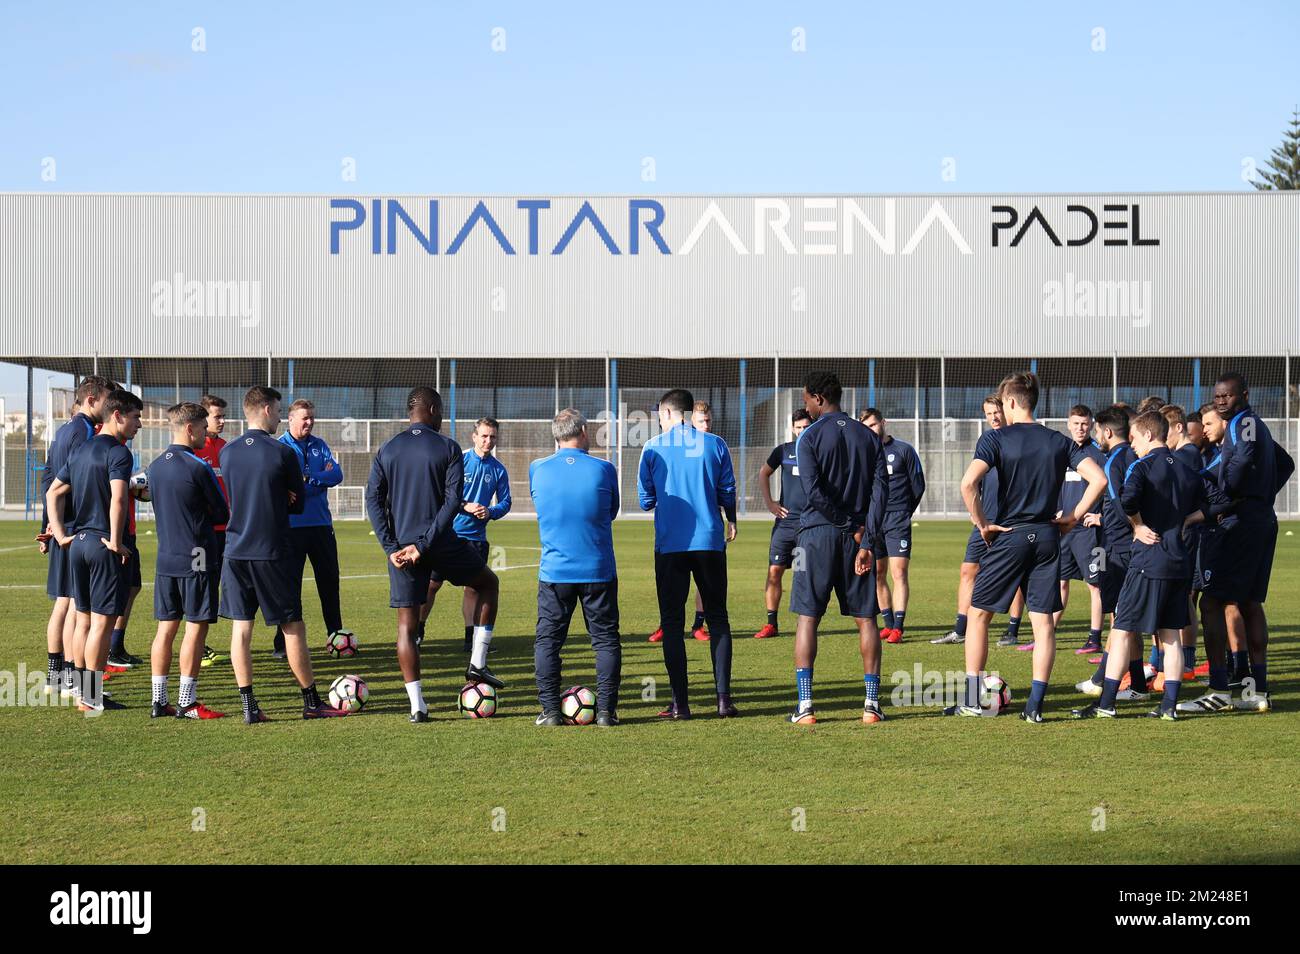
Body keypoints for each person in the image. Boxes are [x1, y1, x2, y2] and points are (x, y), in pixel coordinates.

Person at [951, 372, 1106, 722]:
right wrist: (1073, 517)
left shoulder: (996, 439)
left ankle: (974, 699)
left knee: (978, 614)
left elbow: (967, 484)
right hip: (1048, 537)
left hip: (1009, 536)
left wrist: (982, 524)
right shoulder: (1058, 440)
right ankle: (1034, 707)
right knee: (1044, 625)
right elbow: (1099, 479)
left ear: (1009, 402)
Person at [365, 387, 504, 723]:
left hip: (401, 549)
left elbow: (372, 500)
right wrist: (425, 544)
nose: (442, 416)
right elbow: (452, 501)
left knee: (406, 628)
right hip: (439, 542)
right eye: (440, 409)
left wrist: (391, 547)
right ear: (430, 408)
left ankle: (418, 706)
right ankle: (478, 663)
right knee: (488, 583)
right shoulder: (447, 446)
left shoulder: (388, 448)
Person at [218, 386, 346, 723]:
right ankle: (311, 701)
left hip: (234, 551)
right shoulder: (282, 453)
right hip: (270, 549)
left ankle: (249, 707)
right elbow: (298, 502)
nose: (278, 417)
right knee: (293, 627)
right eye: (276, 410)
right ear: (263, 409)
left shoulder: (227, 453)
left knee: (241, 631)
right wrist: (284, 496)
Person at [1073, 410, 1206, 719]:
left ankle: (1105, 704)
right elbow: (1215, 501)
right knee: (1171, 634)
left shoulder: (1141, 466)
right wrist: (1188, 520)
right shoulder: (1186, 469)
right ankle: (1169, 707)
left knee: (1121, 629)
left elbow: (1126, 500)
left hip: (1149, 559)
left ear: (1148, 435)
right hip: (1179, 561)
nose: (1131, 444)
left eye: (1134, 437)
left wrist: (1136, 524)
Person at [1179, 372, 1294, 714]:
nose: (1220, 401)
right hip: (1260, 520)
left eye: (1226, 396)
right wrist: (1261, 495)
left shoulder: (1243, 423)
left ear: (1243, 394)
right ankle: (1256, 690)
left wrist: (1226, 499)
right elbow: (1285, 463)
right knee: (1249, 603)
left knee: (1212, 603)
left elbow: (1241, 463)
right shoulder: (1255, 426)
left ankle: (1218, 690)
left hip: (1239, 525)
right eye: (1216, 397)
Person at [787, 372, 888, 725]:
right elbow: (881, 495)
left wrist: (847, 526)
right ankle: (871, 705)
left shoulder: (809, 437)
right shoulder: (869, 436)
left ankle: (806, 706)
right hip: (858, 539)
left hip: (815, 536)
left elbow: (813, 492)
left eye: (805, 399)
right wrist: (867, 538)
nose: (804, 406)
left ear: (817, 399)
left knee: (807, 617)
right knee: (867, 619)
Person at [637, 388, 738, 719]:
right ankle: (723, 700)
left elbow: (645, 499)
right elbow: (727, 491)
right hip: (709, 542)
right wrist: (728, 517)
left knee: (672, 622)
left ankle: (681, 703)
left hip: (670, 545)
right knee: (718, 619)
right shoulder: (715, 444)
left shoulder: (652, 448)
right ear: (687, 412)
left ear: (666, 414)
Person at [44, 389, 143, 713]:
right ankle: (90, 697)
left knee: (82, 619)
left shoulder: (83, 449)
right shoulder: (118, 452)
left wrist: (60, 533)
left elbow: (53, 492)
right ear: (117, 416)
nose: (139, 424)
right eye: (135, 417)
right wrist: (116, 540)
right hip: (102, 545)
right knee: (101, 623)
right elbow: (118, 498)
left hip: (78, 544)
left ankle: (80, 691)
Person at [530, 409, 622, 727]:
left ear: (556, 434)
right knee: (606, 641)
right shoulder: (605, 469)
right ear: (583, 430)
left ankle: (551, 712)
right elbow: (611, 511)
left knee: (548, 642)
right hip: (598, 569)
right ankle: (607, 713)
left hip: (555, 572)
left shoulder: (537, 469)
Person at [147, 402, 230, 719]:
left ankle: (159, 700)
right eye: (203, 425)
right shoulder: (198, 467)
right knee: (195, 628)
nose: (207, 431)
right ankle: (187, 701)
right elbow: (221, 512)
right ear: (191, 428)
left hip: (165, 557)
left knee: (165, 630)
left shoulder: (155, 466)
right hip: (196, 555)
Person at [37, 375, 110, 699]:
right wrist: (63, 527)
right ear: (92, 398)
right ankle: (69, 674)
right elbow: (71, 482)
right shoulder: (82, 433)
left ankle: (58, 673)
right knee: (72, 604)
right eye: (107, 399)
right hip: (73, 529)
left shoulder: (66, 430)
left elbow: (48, 481)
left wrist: (47, 526)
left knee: (64, 602)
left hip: (61, 527)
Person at [933, 395, 1026, 646]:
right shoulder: (986, 440)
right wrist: (978, 516)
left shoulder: (1018, 440)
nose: (994, 418)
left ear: (1007, 410)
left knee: (1016, 577)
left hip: (1012, 520)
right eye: (988, 414)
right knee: (968, 570)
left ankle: (1012, 630)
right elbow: (976, 483)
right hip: (985, 519)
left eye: (997, 412)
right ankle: (960, 629)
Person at [419, 416, 511, 652]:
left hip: (476, 539)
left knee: (474, 588)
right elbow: (441, 493)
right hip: (447, 534)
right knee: (431, 585)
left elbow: (506, 502)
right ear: (474, 436)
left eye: (492, 437)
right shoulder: (459, 460)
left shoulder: (498, 470)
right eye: (484, 436)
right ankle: (417, 631)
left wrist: (489, 512)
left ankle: (470, 639)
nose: (488, 441)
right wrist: (464, 506)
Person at [1075, 405, 1146, 698]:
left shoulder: (1114, 460)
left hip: (1117, 547)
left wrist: (1133, 525)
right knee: (1123, 616)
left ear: (1106, 431)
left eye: (1096, 430)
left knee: (1120, 618)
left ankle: (1103, 679)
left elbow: (1120, 502)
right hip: (1118, 544)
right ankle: (1137, 684)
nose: (1095, 436)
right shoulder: (1132, 456)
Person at [273, 399, 351, 659]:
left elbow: (336, 475)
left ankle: (336, 637)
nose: (309, 422)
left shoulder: (320, 445)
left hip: (321, 526)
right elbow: (281, 485)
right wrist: (314, 481)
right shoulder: (280, 447)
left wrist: (308, 479)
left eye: (311, 417)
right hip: (291, 528)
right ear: (291, 419)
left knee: (329, 584)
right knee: (288, 587)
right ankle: (282, 643)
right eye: (304, 418)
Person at [649, 400, 716, 643]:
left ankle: (698, 623)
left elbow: (724, 488)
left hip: (706, 530)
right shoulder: (669, 447)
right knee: (674, 587)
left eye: (708, 420)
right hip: (677, 532)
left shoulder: (713, 446)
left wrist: (729, 517)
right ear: (690, 421)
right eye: (701, 421)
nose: (705, 425)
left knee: (703, 583)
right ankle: (666, 624)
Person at [858, 409, 925, 643]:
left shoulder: (904, 450)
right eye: (867, 427)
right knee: (877, 574)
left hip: (898, 520)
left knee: (899, 573)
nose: (872, 430)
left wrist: (905, 511)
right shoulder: (864, 454)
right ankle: (886, 623)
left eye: (874, 425)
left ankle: (898, 626)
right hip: (874, 521)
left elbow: (918, 485)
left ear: (883, 423)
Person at [752, 409, 811, 639]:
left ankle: (804, 623)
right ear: (793, 429)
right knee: (774, 571)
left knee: (802, 573)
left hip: (808, 526)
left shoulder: (819, 451)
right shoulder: (783, 451)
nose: (802, 431)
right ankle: (771, 623)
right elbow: (763, 473)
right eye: (798, 427)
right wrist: (770, 503)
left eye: (806, 426)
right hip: (785, 524)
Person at [1053, 405, 1106, 656]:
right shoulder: (1061, 452)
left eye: (1084, 423)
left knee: (1095, 585)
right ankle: (1047, 634)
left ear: (1091, 424)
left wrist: (1101, 516)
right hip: (1063, 529)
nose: (1080, 428)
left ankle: (1095, 638)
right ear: (1068, 424)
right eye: (1075, 423)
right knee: (1060, 582)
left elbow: (1111, 489)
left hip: (1088, 531)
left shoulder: (1099, 455)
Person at [193, 394, 230, 667]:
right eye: (217, 416)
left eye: (222, 416)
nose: (222, 421)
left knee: (217, 586)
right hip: (201, 534)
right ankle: (197, 645)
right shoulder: (194, 451)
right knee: (200, 586)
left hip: (227, 531)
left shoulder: (227, 448)